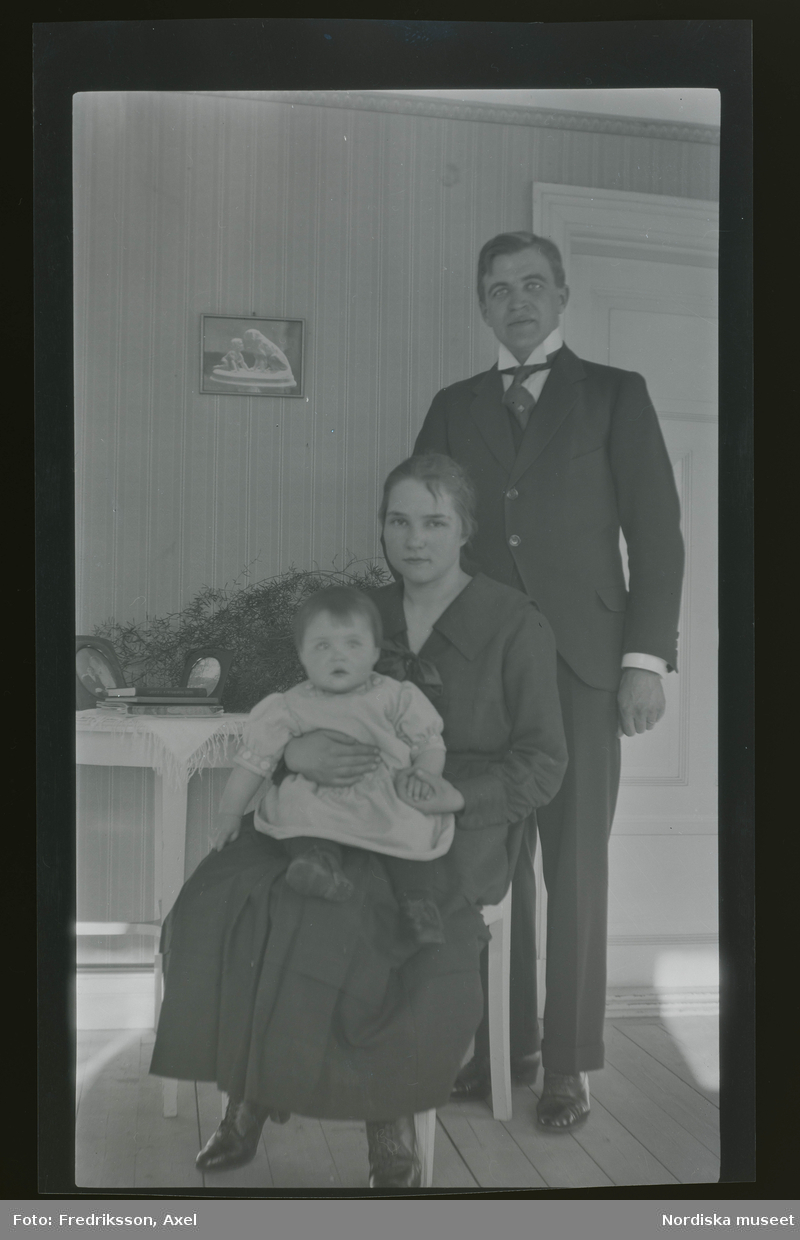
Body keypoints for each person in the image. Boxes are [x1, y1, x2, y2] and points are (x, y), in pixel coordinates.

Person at [149, 451, 567, 1187]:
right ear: (381, 528)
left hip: (442, 830)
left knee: (357, 918)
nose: (415, 539)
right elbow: (288, 711)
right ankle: (249, 1093)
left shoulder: (514, 622)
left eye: (434, 522)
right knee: (227, 897)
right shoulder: (357, 613)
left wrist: (455, 795)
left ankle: (389, 1131)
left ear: (466, 529)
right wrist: (297, 753)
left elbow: (543, 762)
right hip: (325, 816)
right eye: (399, 522)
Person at [413, 231, 685, 1130]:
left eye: (533, 284)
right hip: (480, 672)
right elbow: (426, 533)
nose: (517, 301)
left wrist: (644, 662)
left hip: (585, 668)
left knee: (574, 866)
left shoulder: (614, 394)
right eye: (499, 289)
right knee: (488, 859)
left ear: (562, 295)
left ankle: (567, 1063)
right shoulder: (452, 407)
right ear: (482, 305)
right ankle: (505, 1048)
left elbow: (658, 535)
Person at [213, 584, 460, 946]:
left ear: (374, 652)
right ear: (302, 654)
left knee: (413, 823)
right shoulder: (290, 705)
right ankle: (318, 863)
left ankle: (417, 903)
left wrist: (423, 774)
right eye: (322, 646)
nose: (337, 656)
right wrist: (229, 813)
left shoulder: (395, 695)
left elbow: (429, 743)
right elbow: (254, 763)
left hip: (385, 793)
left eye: (353, 644)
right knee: (296, 805)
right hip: (321, 796)